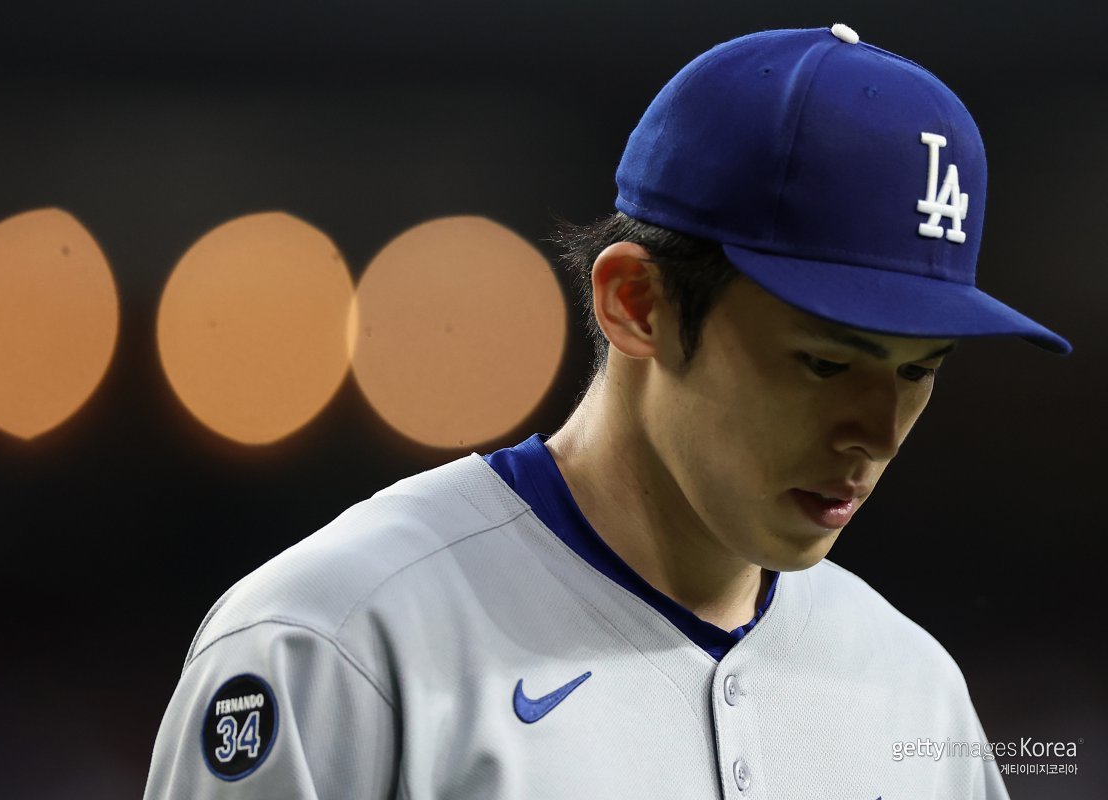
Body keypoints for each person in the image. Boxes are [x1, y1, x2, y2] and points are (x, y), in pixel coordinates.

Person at [143, 24, 1068, 799]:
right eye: (824, 362)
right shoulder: (336, 641)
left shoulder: (915, 692)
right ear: (637, 304)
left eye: (919, 370)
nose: (878, 431)